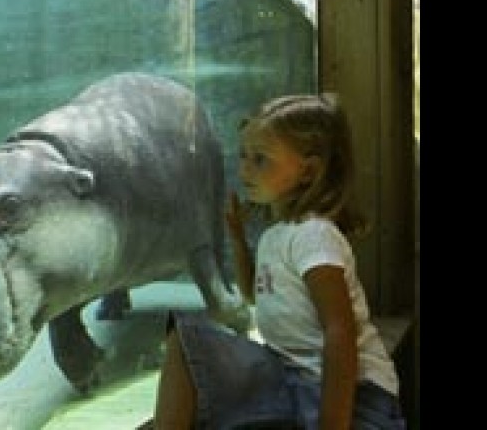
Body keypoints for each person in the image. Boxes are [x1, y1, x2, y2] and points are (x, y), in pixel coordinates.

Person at [148, 94, 406, 429]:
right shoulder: (275, 236)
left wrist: (334, 424)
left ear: (308, 172)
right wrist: (239, 240)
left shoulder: (313, 235)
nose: (244, 169)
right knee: (185, 340)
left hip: (354, 397)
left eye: (261, 159)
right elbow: (256, 294)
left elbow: (339, 330)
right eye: (243, 156)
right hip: (291, 381)